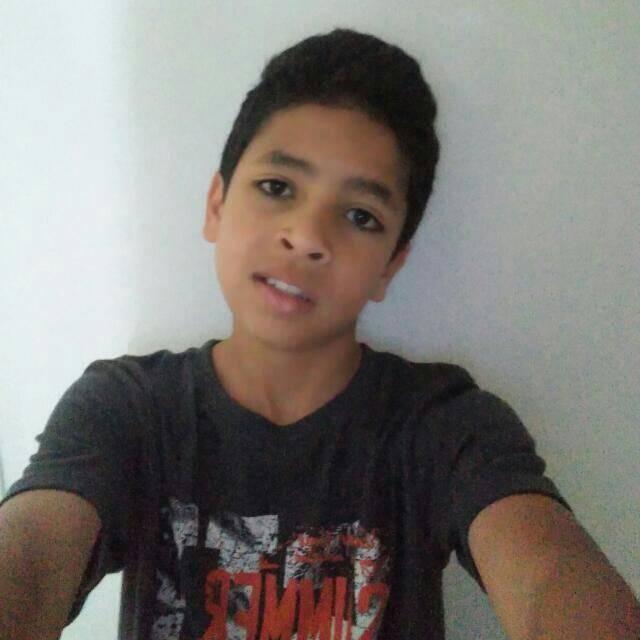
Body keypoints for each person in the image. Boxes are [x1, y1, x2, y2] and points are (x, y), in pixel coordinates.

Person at [1, 27, 638, 640]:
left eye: (360, 215)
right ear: (216, 205)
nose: (307, 237)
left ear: (391, 264)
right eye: (277, 187)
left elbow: (549, 574)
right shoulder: (126, 410)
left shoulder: (445, 426)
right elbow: (28, 555)